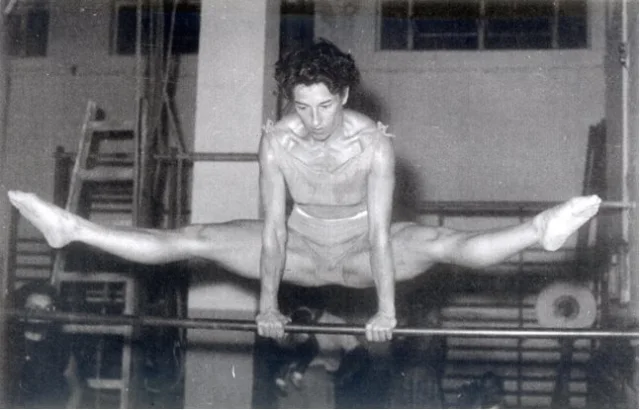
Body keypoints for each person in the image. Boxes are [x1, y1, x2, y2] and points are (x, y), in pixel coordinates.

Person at [7, 38, 602, 343]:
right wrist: (267, 303)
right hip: (297, 248)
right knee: (194, 236)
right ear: (289, 100)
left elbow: (379, 234)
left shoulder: (375, 145)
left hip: (362, 253)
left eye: (324, 106)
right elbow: (272, 229)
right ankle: (72, 228)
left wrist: (387, 309)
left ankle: (538, 230)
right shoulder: (277, 142)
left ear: (342, 96)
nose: (313, 120)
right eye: (301, 106)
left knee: (444, 241)